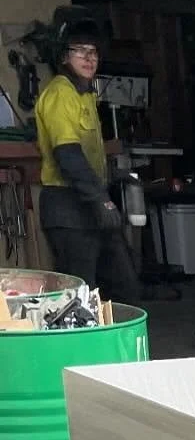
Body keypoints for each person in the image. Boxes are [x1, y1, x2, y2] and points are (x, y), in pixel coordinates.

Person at [34, 16, 142, 305]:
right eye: (79, 50)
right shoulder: (60, 94)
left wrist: (108, 177)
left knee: (124, 288)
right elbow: (67, 154)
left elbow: (88, 152)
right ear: (63, 57)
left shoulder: (86, 96)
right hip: (68, 208)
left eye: (93, 52)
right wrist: (100, 199)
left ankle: (122, 349)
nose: (88, 58)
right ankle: (81, 351)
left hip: (92, 205)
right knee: (80, 297)